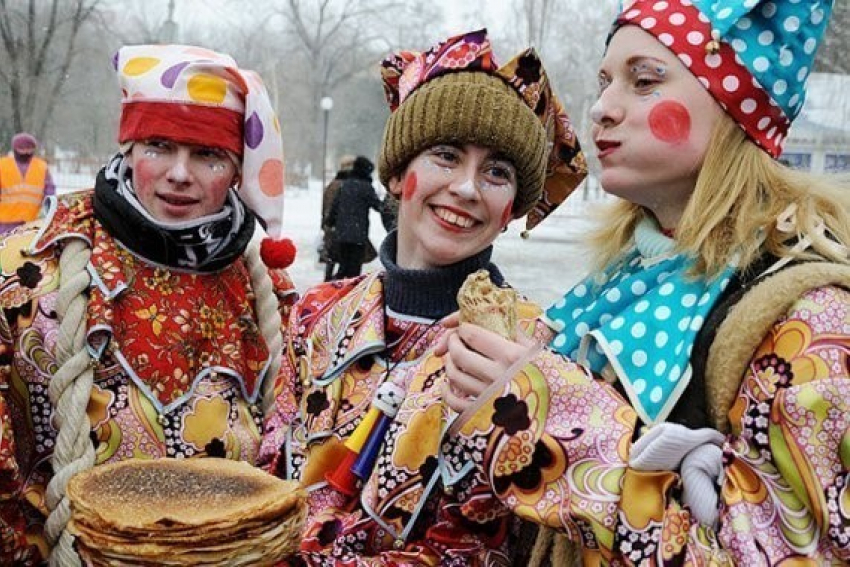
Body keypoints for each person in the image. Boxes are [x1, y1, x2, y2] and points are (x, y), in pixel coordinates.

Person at [439, 0, 850, 564]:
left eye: (644, 81)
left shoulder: (812, 318)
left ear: (737, 109)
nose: (602, 109)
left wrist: (551, 420)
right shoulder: (618, 284)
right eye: (605, 81)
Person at [259, 29, 587, 564]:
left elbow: (485, 548)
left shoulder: (529, 350)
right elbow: (271, 479)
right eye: (446, 155)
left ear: (513, 208)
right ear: (397, 172)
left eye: (497, 172)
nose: (466, 187)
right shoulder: (317, 316)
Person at [0, 44, 298, 565]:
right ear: (129, 148)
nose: (180, 174)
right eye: (159, 145)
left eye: (208, 155)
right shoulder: (26, 272)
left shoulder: (270, 292)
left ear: (235, 169)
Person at [326, 155, 382, 279]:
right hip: (358, 236)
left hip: (342, 234)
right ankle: (348, 292)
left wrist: (330, 223)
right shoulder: (366, 187)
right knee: (354, 270)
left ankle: (337, 289)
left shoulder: (346, 185)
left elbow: (335, 206)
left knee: (343, 266)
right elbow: (379, 206)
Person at [0, 132, 56, 234]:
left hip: (32, 222)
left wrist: (48, 211)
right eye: (22, 148)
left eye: (29, 148)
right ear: (15, 148)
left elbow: (50, 192)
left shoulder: (41, 166)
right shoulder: (2, 165)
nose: (25, 151)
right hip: (5, 222)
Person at [320, 155, 355, 282]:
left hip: (332, 227)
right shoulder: (347, 186)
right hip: (343, 228)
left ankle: (327, 284)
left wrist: (325, 224)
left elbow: (324, 207)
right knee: (344, 263)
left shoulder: (332, 185)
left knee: (332, 260)